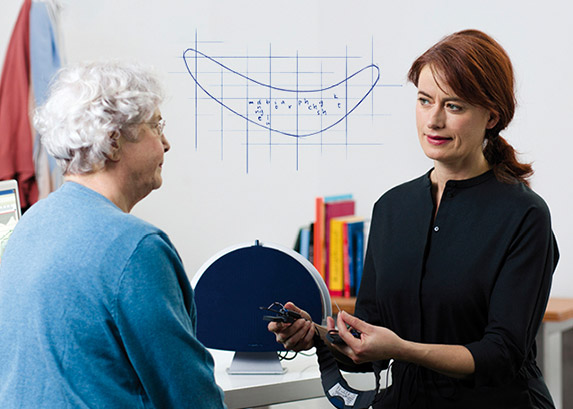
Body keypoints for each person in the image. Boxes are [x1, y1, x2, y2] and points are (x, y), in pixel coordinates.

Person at [269, 30, 559, 408]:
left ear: (492, 115)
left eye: (454, 106)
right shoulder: (391, 208)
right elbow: (370, 341)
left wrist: (402, 349)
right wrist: (318, 335)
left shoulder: (524, 216)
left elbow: (501, 354)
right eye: (425, 100)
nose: (433, 120)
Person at [0, 61, 226, 408]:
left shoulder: (29, 227)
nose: (166, 143)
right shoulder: (137, 248)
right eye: (155, 126)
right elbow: (191, 397)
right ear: (113, 141)